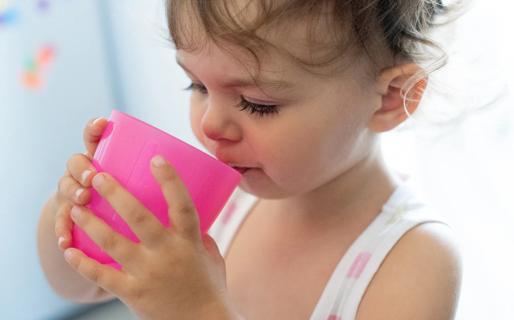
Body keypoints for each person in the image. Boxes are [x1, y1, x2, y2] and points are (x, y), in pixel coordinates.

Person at [37, 1, 463, 319]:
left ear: (389, 99)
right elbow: (78, 287)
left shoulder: (413, 261)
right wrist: (76, 213)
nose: (209, 125)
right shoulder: (202, 202)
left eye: (257, 104)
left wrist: (198, 310)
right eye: (196, 86)